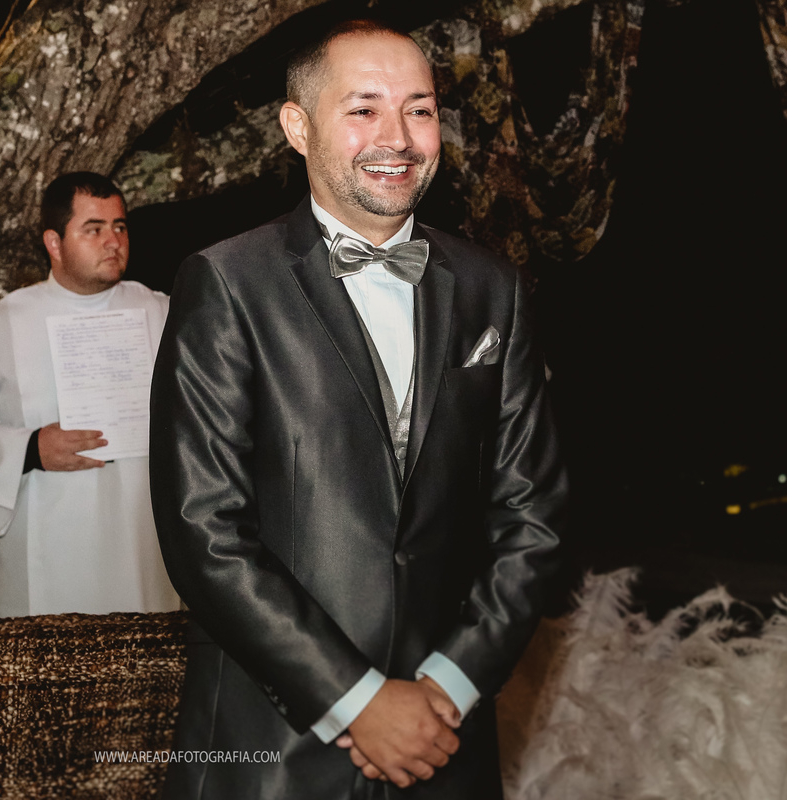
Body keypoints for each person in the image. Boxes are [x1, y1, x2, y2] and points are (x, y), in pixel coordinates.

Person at [149, 20, 567, 799]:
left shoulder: (493, 290)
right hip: (273, 747)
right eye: (364, 109)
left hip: (444, 745)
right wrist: (359, 699)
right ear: (297, 127)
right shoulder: (226, 283)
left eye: (419, 109)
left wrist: (447, 687)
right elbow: (203, 529)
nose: (398, 137)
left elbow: (532, 517)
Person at [0, 172, 178, 618]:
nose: (113, 242)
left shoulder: (162, 314)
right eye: (94, 229)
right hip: (47, 542)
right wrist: (29, 449)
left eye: (120, 227)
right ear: (54, 243)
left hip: (143, 539)